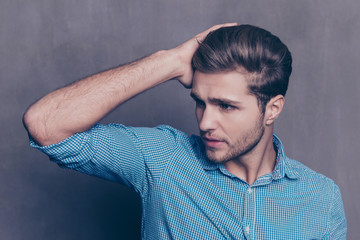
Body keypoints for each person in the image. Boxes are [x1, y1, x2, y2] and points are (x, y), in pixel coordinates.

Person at [23, 23, 347, 239]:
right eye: (200, 102)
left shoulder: (321, 198)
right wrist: (173, 61)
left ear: (272, 109)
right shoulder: (164, 158)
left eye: (226, 106)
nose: (205, 122)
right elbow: (46, 124)